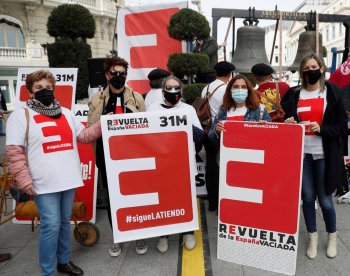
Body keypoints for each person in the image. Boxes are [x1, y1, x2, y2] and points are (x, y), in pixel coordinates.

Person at [6, 69, 102, 276]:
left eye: (49, 87)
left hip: (67, 178)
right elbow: (14, 151)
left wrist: (103, 124)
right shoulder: (20, 115)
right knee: (50, 225)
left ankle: (64, 261)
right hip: (42, 182)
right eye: (39, 87)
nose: (45, 91)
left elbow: (84, 136)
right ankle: (48, 271)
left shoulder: (66, 113)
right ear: (30, 91)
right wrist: (23, 178)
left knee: (64, 222)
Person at [281, 53, 347, 260]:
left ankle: (332, 237)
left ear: (321, 68)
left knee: (325, 200)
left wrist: (321, 129)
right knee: (307, 198)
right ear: (302, 72)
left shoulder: (332, 92)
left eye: (314, 66)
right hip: (302, 156)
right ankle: (312, 237)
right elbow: (284, 122)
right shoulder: (293, 95)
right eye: (306, 67)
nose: (310, 70)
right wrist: (288, 124)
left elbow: (342, 127)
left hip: (324, 155)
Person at [87, 56, 146, 257]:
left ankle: (139, 234)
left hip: (133, 157)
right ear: (107, 75)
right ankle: (118, 237)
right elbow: (89, 129)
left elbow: (145, 127)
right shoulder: (96, 100)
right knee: (114, 199)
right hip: (107, 157)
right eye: (114, 73)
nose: (118, 77)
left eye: (122, 73)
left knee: (136, 197)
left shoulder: (137, 98)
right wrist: (104, 120)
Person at [148, 75, 204, 253]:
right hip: (161, 165)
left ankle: (188, 232)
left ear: (181, 90)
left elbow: (199, 136)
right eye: (169, 88)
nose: (173, 91)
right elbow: (146, 136)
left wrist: (182, 125)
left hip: (184, 164)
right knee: (164, 201)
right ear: (163, 90)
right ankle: (164, 234)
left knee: (185, 199)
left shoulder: (188, 109)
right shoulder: (152, 108)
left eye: (176, 87)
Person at [200, 61, 235, 212]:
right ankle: (223, 201)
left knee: (210, 167)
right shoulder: (227, 89)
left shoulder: (206, 88)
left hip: (206, 131)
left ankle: (212, 202)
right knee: (223, 166)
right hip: (221, 131)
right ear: (229, 74)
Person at [209, 74, 271, 144]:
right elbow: (211, 137)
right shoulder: (224, 110)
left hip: (252, 152)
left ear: (248, 90)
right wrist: (216, 130)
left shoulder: (260, 109)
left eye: (244, 87)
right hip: (229, 153)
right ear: (230, 90)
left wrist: (266, 127)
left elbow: (271, 136)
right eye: (236, 87)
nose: (240, 90)